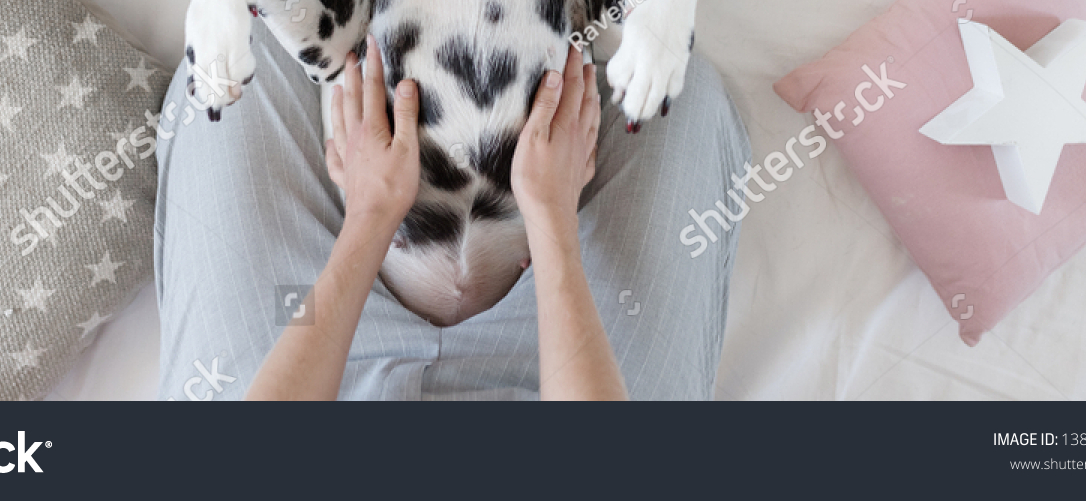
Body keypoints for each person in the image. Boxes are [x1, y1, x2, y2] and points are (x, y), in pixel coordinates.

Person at [155, 21, 749, 401]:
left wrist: (369, 217)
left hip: (321, 377)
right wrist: (551, 221)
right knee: (680, 87)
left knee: (231, 65)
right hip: (545, 374)